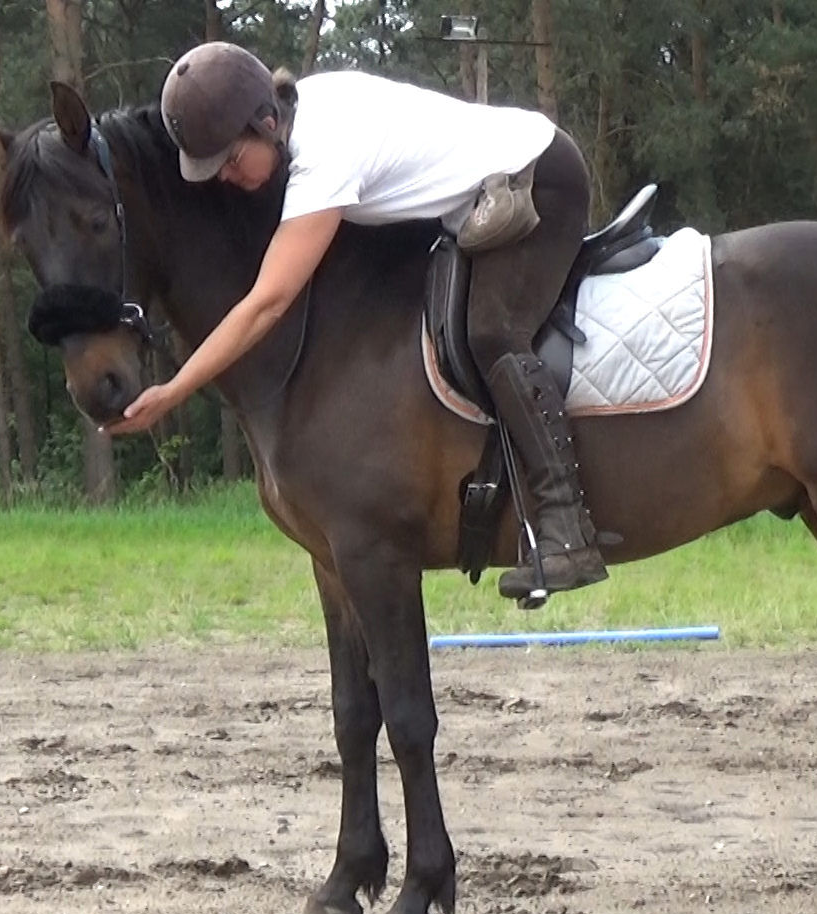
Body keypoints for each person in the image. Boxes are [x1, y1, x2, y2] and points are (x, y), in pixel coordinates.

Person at [109, 42, 605, 601]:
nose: (224, 176)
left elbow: (267, 302)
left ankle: (566, 528)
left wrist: (175, 389)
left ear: (265, 123)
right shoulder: (298, 114)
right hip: (477, 196)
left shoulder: (326, 155)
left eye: (228, 159)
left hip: (540, 179)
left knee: (493, 330)